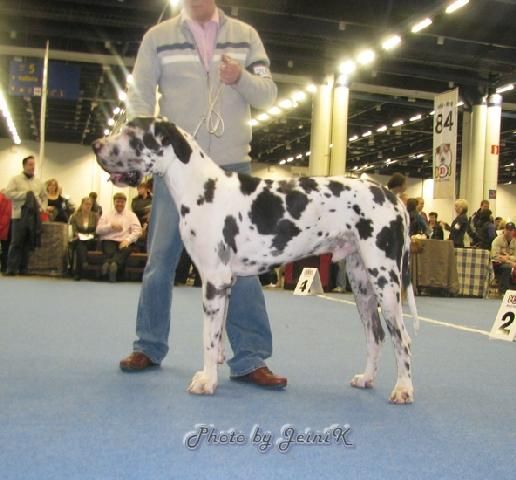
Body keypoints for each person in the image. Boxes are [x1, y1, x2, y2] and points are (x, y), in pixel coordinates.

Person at [119, 0, 287, 388]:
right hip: (176, 170)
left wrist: (241, 77)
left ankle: (250, 357)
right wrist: (141, 146)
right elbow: (140, 96)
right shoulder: (158, 38)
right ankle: (149, 345)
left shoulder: (246, 36)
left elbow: (267, 94)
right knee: (160, 260)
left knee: (244, 267)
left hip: (233, 169)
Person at [3, 155, 47, 276]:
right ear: (24, 166)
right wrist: (25, 195)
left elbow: (44, 196)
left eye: (34, 165)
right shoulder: (15, 180)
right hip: (19, 215)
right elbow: (8, 194)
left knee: (28, 242)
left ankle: (24, 268)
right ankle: (11, 268)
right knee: (16, 242)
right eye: (30, 164)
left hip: (33, 216)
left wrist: (43, 207)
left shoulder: (38, 182)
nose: (32, 167)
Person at [96, 192, 142, 282]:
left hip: (124, 240)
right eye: (118, 202)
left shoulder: (131, 215)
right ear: (114, 202)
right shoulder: (106, 215)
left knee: (126, 250)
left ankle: (109, 263)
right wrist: (110, 227)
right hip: (109, 240)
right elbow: (98, 230)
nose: (120, 204)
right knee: (110, 251)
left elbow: (138, 230)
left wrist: (128, 240)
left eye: (122, 202)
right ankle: (114, 265)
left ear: (125, 203)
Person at [69, 197, 99, 281]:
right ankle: (84, 263)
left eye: (90, 204)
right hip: (79, 238)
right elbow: (74, 230)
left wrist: (91, 235)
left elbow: (97, 230)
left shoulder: (95, 216)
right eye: (86, 204)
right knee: (80, 244)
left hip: (91, 240)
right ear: (82, 205)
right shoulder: (75, 216)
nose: (88, 206)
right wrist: (77, 235)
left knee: (81, 246)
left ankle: (78, 272)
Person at [491, 222, 516, 294]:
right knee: (507, 267)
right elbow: (495, 256)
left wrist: (508, 257)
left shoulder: (514, 242)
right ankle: (503, 291)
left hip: (511, 263)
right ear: (504, 230)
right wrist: (510, 261)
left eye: (511, 230)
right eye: (507, 229)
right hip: (498, 264)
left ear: (514, 231)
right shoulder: (497, 240)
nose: (509, 232)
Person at [0, 191, 12, 273]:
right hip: (6, 226)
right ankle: (4, 267)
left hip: (5, 226)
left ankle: (4, 267)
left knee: (5, 248)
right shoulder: (4, 198)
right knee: (5, 248)